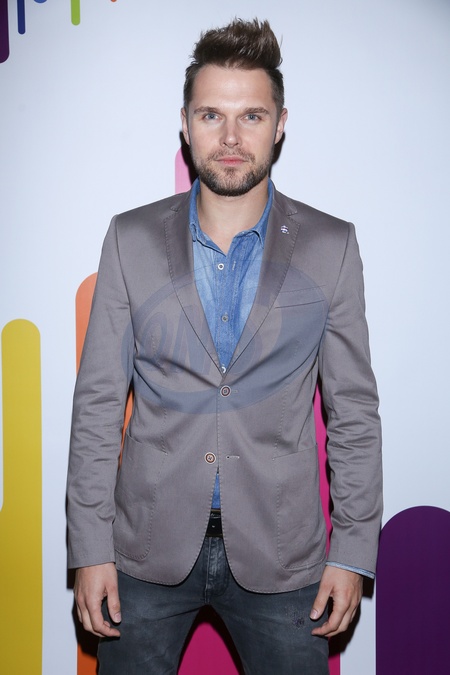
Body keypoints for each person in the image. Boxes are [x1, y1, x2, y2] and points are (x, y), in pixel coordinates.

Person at [67, 18, 382, 675]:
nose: (231, 138)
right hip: (144, 551)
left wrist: (352, 552)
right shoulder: (129, 239)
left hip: (284, 553)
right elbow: (97, 405)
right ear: (185, 124)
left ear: (280, 124)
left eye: (251, 116)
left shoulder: (332, 247)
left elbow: (352, 412)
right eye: (212, 114)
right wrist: (90, 548)